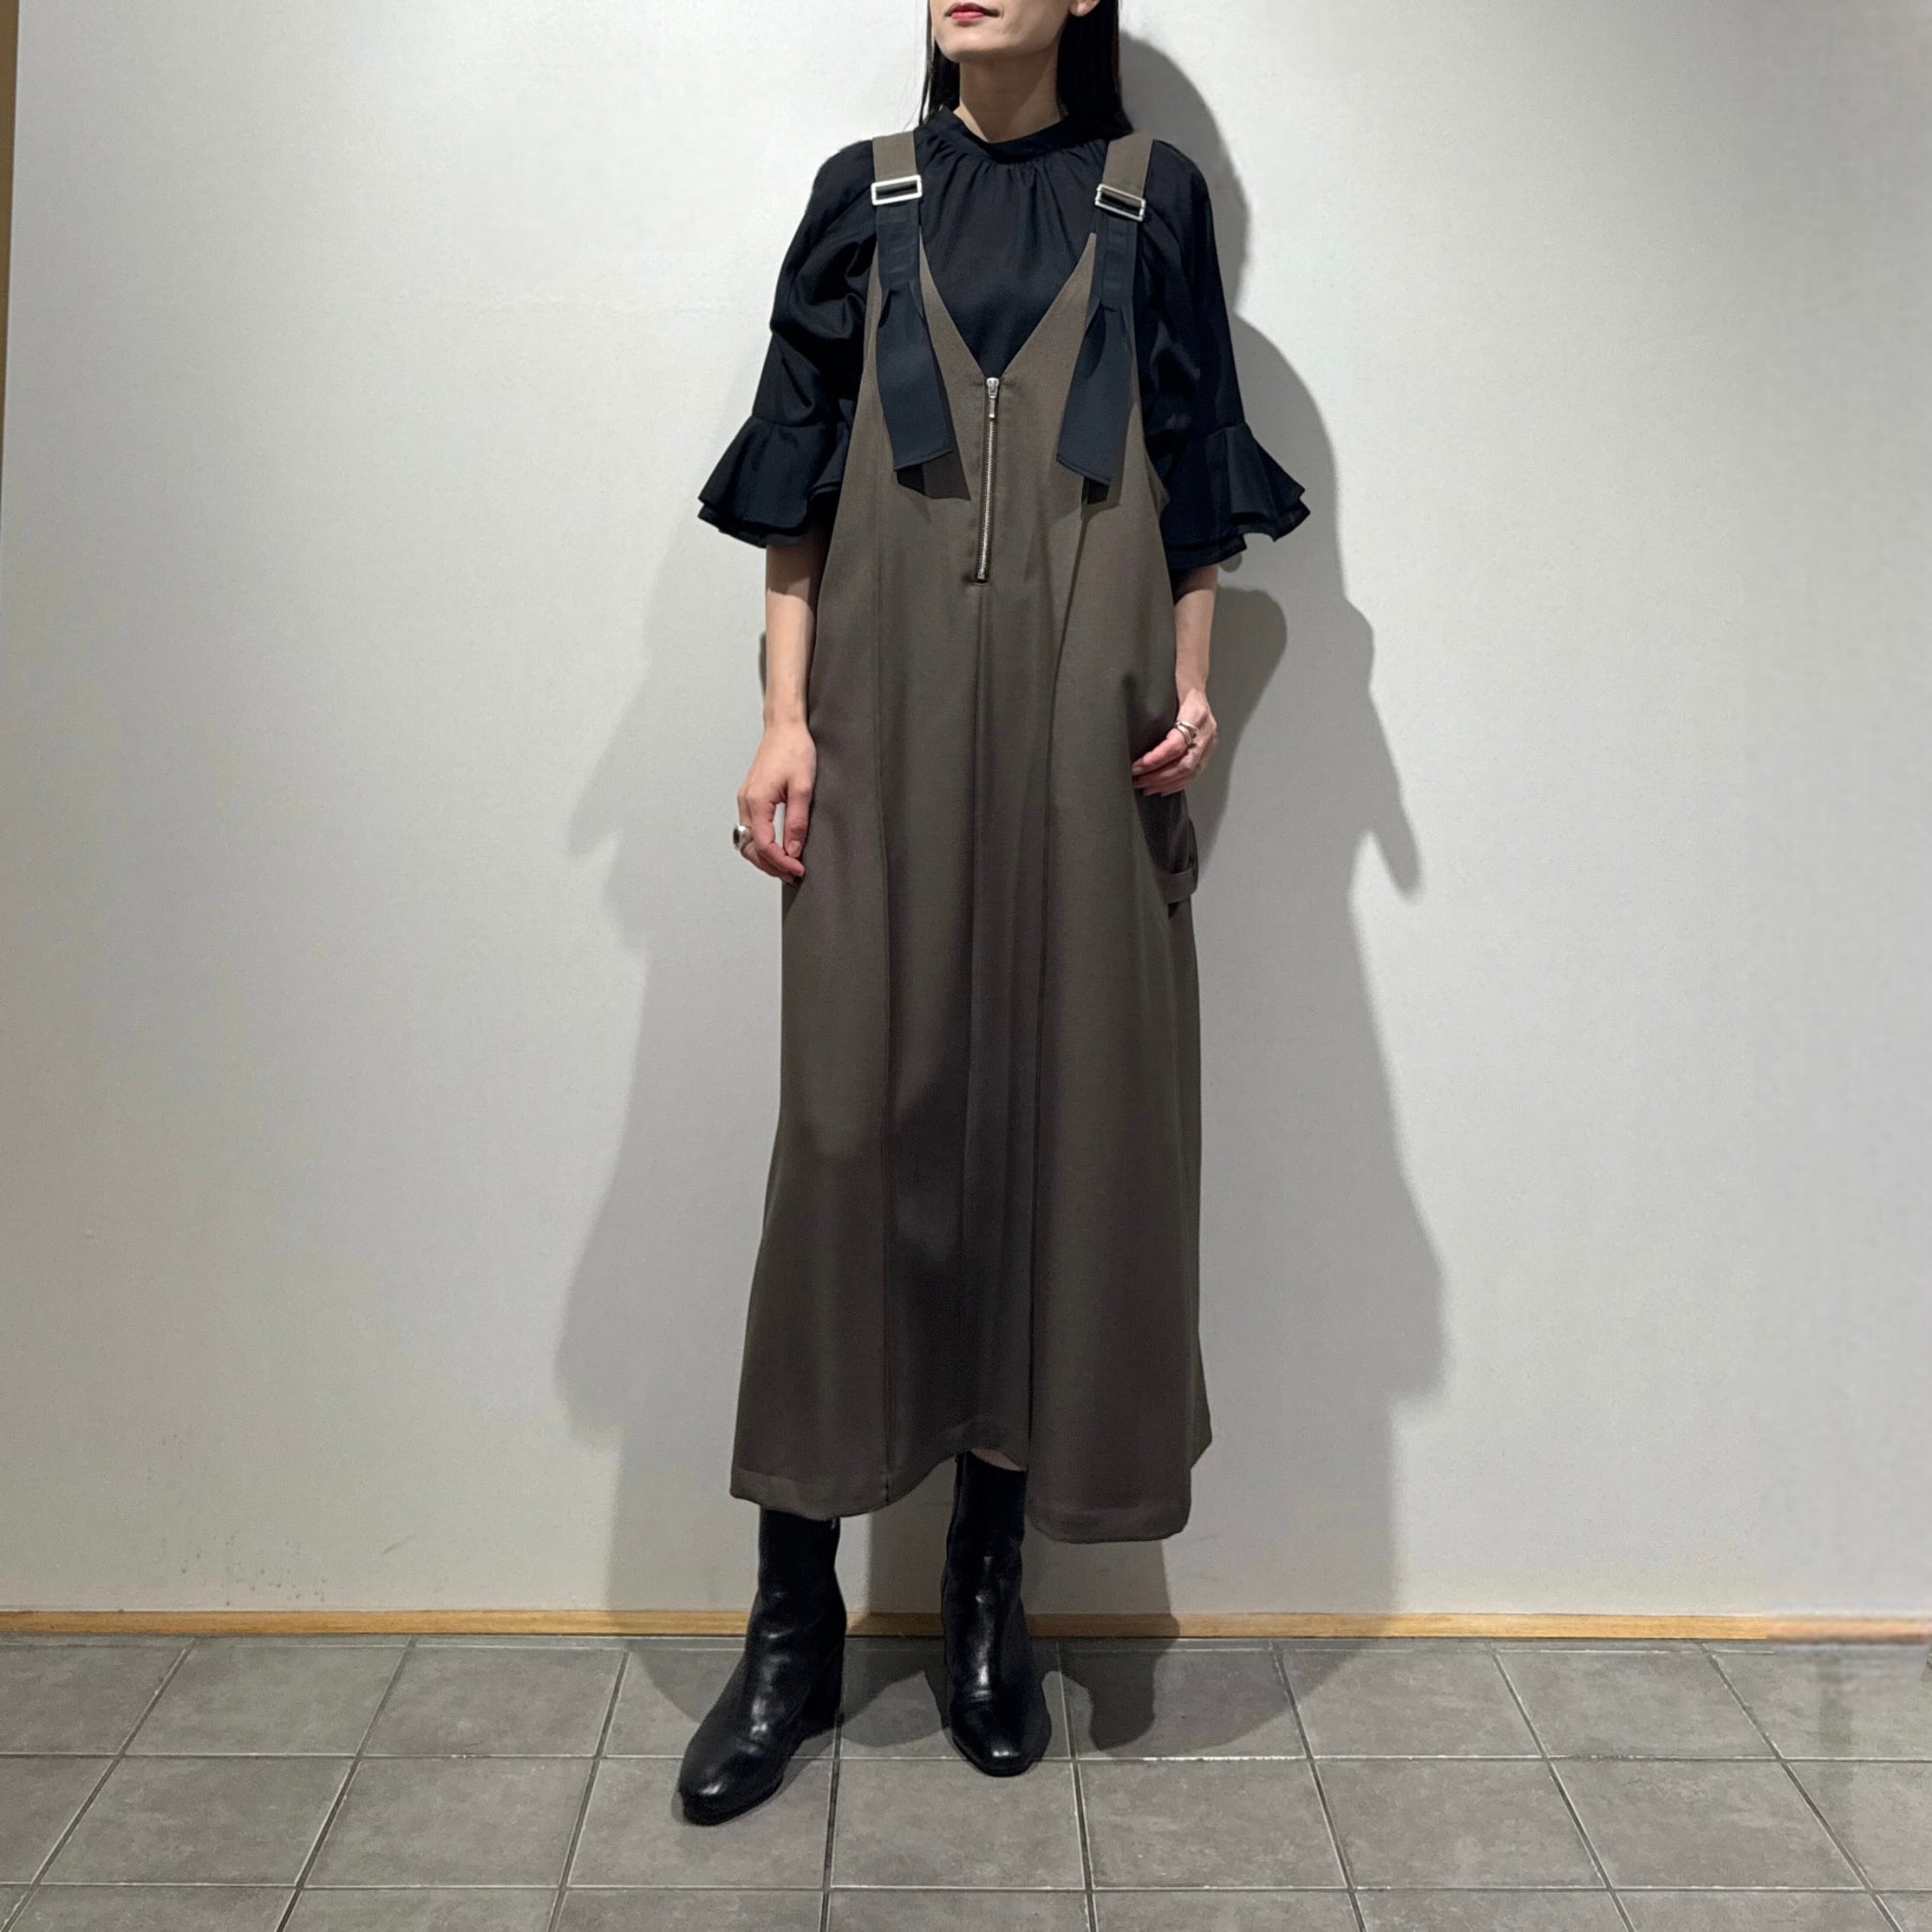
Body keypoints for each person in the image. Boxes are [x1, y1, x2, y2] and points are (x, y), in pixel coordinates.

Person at [677, 0, 1309, 1824]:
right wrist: (783, 718)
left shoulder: (1149, 199)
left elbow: (1192, 467)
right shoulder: (860, 194)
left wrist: (1189, 686)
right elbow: (795, 477)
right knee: (847, 1145)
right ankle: (791, 1619)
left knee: (1062, 1136)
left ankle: (983, 1593)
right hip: (874, 733)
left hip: (1086, 734)